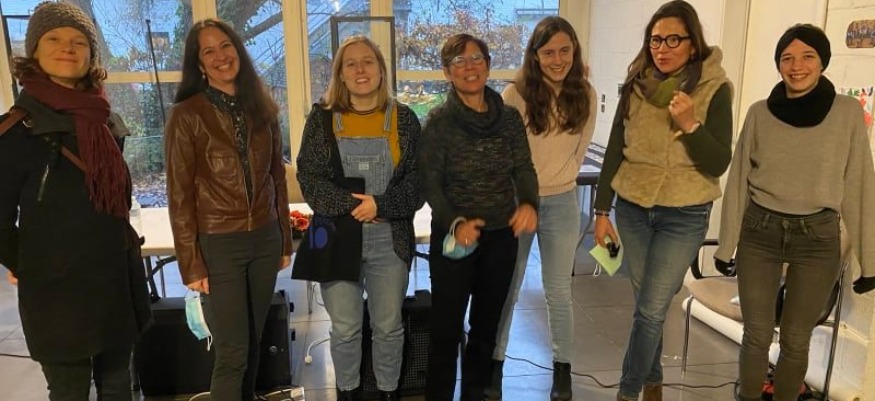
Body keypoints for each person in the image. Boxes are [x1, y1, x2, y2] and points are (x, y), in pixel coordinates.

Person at [0, 2, 151, 400]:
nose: (67, 47)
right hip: (57, 294)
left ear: (90, 54)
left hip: (114, 280)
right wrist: (27, 264)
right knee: (69, 392)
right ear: (34, 50)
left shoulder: (105, 122)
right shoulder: (17, 130)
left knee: (118, 387)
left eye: (78, 41)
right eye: (53, 38)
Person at [716, 24, 875, 401]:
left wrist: (869, 262)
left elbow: (859, 185)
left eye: (807, 56)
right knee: (756, 335)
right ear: (778, 65)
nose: (796, 66)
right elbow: (738, 181)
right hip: (761, 231)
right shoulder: (759, 113)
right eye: (787, 58)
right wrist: (726, 245)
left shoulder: (847, 113)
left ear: (823, 62)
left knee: (796, 338)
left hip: (817, 238)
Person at [591, 1, 734, 400]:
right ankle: (653, 382)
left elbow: (718, 161)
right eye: (656, 40)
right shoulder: (636, 86)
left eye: (674, 39)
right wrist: (601, 211)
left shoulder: (714, 88)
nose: (662, 48)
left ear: (692, 43)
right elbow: (615, 149)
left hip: (685, 212)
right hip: (633, 208)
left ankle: (627, 392)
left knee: (652, 308)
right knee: (646, 305)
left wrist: (690, 125)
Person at [164, 18, 292, 401]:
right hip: (219, 245)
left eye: (226, 45)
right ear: (199, 64)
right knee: (233, 351)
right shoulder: (187, 115)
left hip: (265, 239)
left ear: (238, 50)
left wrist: (284, 240)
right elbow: (179, 195)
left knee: (252, 341)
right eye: (209, 51)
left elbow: (277, 179)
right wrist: (191, 263)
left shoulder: (263, 108)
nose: (220, 56)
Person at [295, 35, 422, 401]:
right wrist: (355, 206)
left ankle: (387, 393)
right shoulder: (321, 120)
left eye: (368, 61)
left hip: (389, 239)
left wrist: (380, 205)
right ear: (340, 74)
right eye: (351, 63)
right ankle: (348, 393)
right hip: (337, 238)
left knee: (388, 327)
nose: (360, 69)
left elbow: (418, 182)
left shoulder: (404, 119)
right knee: (346, 328)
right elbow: (309, 178)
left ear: (381, 70)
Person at [419, 33, 539, 401]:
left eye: (476, 58)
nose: (469, 67)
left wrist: (529, 203)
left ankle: (474, 394)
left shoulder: (509, 118)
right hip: (454, 238)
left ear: (487, 64)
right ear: (447, 72)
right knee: (446, 331)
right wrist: (456, 223)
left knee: (486, 330)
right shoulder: (439, 122)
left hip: (501, 238)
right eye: (459, 61)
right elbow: (430, 184)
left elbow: (523, 169)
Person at [487, 16, 597, 401]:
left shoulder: (585, 94)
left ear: (574, 52)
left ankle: (562, 370)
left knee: (558, 291)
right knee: (509, 287)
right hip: (519, 203)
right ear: (535, 55)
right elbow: (502, 154)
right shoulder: (514, 95)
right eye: (548, 52)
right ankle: (495, 365)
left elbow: (579, 152)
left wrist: (557, 181)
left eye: (565, 51)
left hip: (563, 201)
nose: (558, 59)